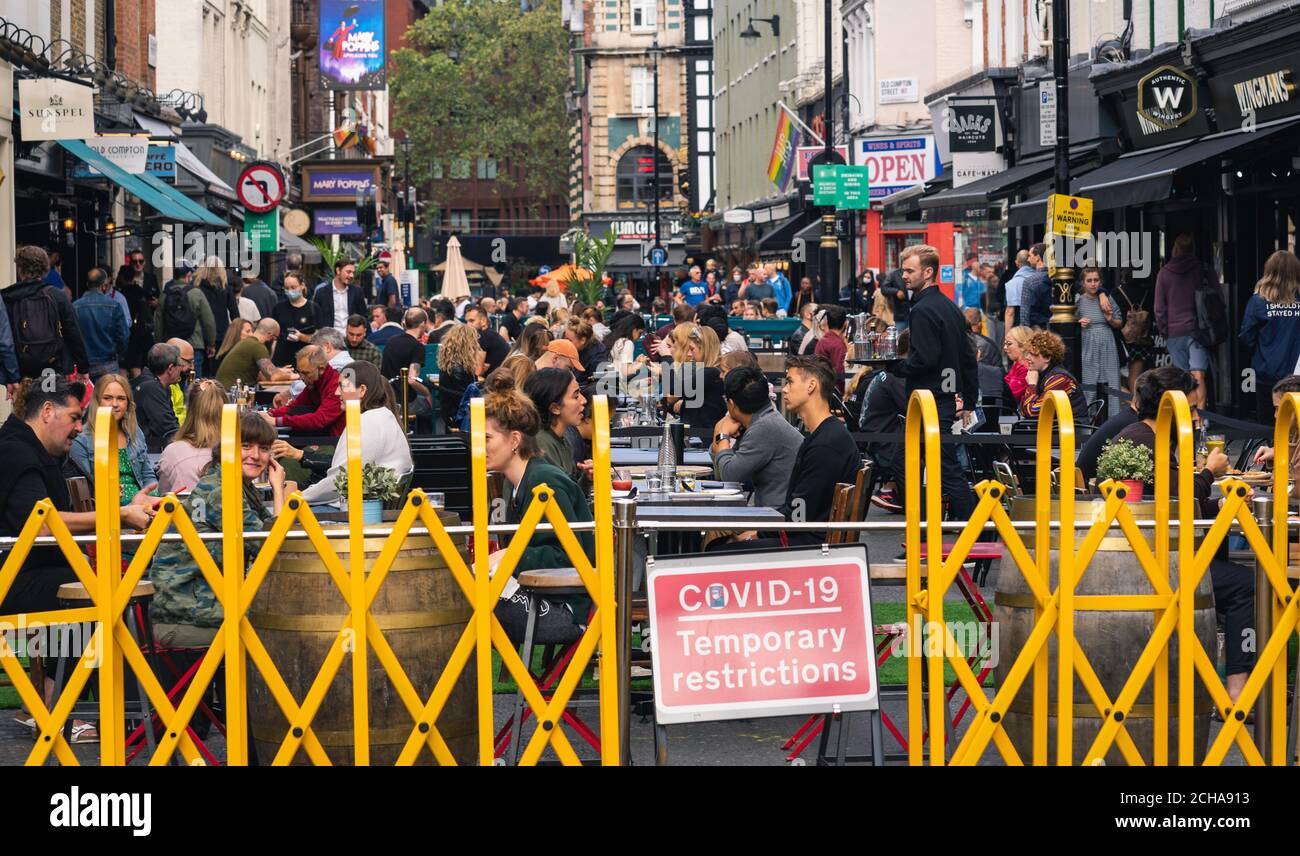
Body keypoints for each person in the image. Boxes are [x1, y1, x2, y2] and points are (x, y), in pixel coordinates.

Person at [1109, 366, 1250, 703]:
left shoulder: (1136, 435)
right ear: (1170, 408)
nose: (1196, 416)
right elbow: (1182, 502)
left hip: (1145, 554)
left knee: (1229, 569)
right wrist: (1209, 473)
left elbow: (1178, 502)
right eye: (1190, 407)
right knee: (1249, 586)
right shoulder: (1145, 440)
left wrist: (1225, 501)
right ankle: (1238, 691)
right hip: (1157, 562)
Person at [0, 377, 152, 616]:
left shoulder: (32, 450)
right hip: (15, 579)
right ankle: (99, 653)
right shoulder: (16, 451)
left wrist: (127, 507)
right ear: (48, 411)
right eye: (74, 418)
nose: (80, 428)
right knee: (99, 592)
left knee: (105, 586)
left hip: (29, 571)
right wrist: (119, 515)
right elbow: (40, 525)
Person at [149, 409, 286, 648]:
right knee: (279, 635)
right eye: (246, 446)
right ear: (227, 450)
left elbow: (272, 537)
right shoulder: (220, 491)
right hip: (187, 620)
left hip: (209, 611)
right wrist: (278, 492)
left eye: (264, 449)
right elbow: (272, 551)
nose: (256, 455)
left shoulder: (236, 486)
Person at [481, 372, 593, 644]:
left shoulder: (543, 480)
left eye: (486, 438)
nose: (478, 446)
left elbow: (566, 555)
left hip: (567, 609)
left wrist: (509, 556)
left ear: (515, 440)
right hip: (550, 598)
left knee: (461, 601)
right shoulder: (529, 479)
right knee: (461, 595)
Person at [719, 356, 860, 549]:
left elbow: (800, 513)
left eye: (791, 382)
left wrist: (756, 533)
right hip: (804, 538)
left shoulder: (825, 445)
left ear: (811, 386)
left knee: (718, 549)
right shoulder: (825, 436)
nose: (784, 389)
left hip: (806, 547)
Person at [893, 244, 979, 524]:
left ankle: (966, 530)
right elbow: (968, 357)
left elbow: (923, 360)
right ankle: (932, 530)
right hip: (941, 398)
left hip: (929, 401)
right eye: (903, 270)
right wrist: (969, 397)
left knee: (941, 467)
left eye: (910, 270)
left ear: (928, 273)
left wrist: (893, 366)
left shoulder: (922, 310)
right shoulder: (950, 307)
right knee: (931, 464)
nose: (904, 276)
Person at [275, 362, 414, 506]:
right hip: (370, 508)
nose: (336, 392)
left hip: (359, 513)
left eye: (342, 386)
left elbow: (340, 481)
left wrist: (297, 498)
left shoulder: (367, 422)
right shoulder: (383, 416)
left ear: (362, 390)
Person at [710, 365, 803, 507]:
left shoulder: (764, 428)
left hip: (778, 519)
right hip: (777, 512)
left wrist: (722, 435)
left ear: (731, 404)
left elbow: (728, 475)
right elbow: (720, 468)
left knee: (715, 526)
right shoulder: (766, 418)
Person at [68, 374, 158, 504]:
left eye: (121, 398)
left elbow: (148, 476)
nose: (114, 404)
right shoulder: (81, 442)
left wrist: (152, 497)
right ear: (97, 401)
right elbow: (93, 490)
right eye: (107, 398)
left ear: (128, 403)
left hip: (144, 501)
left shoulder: (135, 432)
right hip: (110, 509)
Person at [4, 245, 90, 378]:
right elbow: (73, 331)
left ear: (20, 269)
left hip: (23, 373)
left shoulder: (9, 297)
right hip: (54, 370)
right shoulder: (56, 295)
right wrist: (83, 367)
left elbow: (5, 340)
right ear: (45, 269)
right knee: (52, 399)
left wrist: (10, 376)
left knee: (27, 399)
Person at [1238, 250, 1300, 425]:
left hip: (1267, 372)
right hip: (1297, 374)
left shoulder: (1258, 301)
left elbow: (1246, 337)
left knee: (1267, 423)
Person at [1155, 234, 1212, 408]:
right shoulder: (1204, 269)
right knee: (1198, 374)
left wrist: (1165, 332)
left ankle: (1186, 414)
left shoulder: (1164, 273)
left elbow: (1159, 309)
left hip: (1175, 332)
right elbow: (1219, 300)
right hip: (1199, 330)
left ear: (1175, 249)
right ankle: (1201, 418)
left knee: (1182, 376)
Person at [859, 330, 912, 511]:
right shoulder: (898, 375)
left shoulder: (890, 371)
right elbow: (912, 409)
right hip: (884, 442)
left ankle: (895, 492)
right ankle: (916, 506)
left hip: (874, 436)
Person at [157, 379, 226, 495]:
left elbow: (162, 496)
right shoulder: (239, 451)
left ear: (190, 410)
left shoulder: (172, 452)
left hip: (182, 511)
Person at [524, 367, 590, 483]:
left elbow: (566, 493)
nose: (583, 400)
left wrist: (587, 478)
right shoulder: (541, 445)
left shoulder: (562, 440)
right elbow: (562, 497)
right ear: (555, 408)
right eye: (575, 396)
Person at [661, 324, 725, 443]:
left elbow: (672, 389)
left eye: (692, 349)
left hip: (704, 440)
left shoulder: (710, 373)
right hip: (697, 437)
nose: (689, 354)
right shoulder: (707, 372)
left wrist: (666, 358)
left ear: (704, 348)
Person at [1076, 267, 1126, 418]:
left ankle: (1114, 421)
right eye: (1089, 281)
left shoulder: (1107, 299)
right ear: (1083, 283)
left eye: (1096, 280)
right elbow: (1069, 322)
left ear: (1100, 282)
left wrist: (1110, 319)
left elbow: (1120, 323)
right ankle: (1088, 423)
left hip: (1107, 342)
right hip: (1088, 343)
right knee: (1089, 385)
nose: (1093, 284)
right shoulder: (1078, 300)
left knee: (1113, 383)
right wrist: (1078, 322)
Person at [265, 346, 345, 437]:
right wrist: (269, 414)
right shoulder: (315, 382)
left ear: (321, 369)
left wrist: (276, 421)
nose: (301, 377)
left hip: (336, 441)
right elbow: (294, 405)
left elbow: (319, 419)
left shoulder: (335, 387)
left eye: (306, 373)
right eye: (299, 372)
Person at [1017, 330, 1088, 425]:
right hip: (1053, 430)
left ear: (1047, 358)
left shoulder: (1059, 379)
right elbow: (1022, 410)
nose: (1027, 358)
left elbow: (1033, 412)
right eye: (1027, 353)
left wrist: (1031, 385)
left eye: (1033, 354)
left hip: (1071, 434)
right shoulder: (1042, 375)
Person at [72, 267, 130, 380]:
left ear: (87, 284)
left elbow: (70, 337)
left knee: (87, 397)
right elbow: (124, 336)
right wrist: (119, 356)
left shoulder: (75, 306)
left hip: (84, 366)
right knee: (109, 396)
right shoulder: (114, 305)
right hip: (108, 363)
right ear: (104, 285)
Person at [131, 343, 184, 450]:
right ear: (170, 369)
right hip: (139, 453)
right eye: (180, 365)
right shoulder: (152, 388)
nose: (182, 370)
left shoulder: (154, 384)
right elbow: (169, 430)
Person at [216, 318, 294, 390]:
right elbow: (273, 376)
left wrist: (280, 372)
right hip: (232, 393)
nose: (274, 341)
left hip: (225, 390)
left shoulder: (247, 343)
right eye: (275, 337)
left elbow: (262, 375)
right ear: (269, 334)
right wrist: (292, 376)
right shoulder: (257, 346)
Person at [1250, 375, 1300, 480]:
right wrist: (1275, 452)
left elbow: (1294, 485)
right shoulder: (1291, 433)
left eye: (1279, 409)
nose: (1276, 415)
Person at [435, 322, 482, 432]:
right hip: (459, 415)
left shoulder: (450, 365)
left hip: (450, 411)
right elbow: (466, 397)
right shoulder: (460, 369)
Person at [194, 258, 236, 368]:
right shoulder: (225, 288)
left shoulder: (197, 287)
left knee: (203, 369)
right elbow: (234, 313)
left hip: (202, 333)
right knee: (219, 368)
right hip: (222, 334)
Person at [269, 272, 318, 366]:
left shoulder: (313, 308)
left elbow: (319, 338)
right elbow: (274, 338)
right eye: (286, 288)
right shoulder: (278, 308)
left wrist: (301, 337)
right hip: (282, 360)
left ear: (302, 286)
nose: (290, 291)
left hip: (305, 360)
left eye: (293, 287)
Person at [313, 258, 366, 332]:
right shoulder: (321, 293)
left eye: (353, 272)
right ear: (338, 271)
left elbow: (363, 316)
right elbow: (316, 318)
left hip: (351, 338)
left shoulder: (357, 292)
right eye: (348, 272)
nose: (351, 275)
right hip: (329, 338)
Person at [813, 305, 850, 392]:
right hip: (834, 392)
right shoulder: (837, 344)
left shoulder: (822, 340)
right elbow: (841, 373)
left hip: (823, 387)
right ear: (845, 323)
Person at [465, 305, 510, 374]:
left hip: (499, 380)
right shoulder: (490, 334)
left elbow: (477, 372)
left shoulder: (484, 336)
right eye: (467, 321)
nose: (467, 325)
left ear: (483, 321)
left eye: (471, 321)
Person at [564, 319, 607, 385]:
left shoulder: (598, 357)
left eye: (569, 340)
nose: (565, 342)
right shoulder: (575, 349)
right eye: (565, 339)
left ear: (582, 340)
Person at [1002, 325, 1035, 405]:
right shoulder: (1017, 364)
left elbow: (1009, 397)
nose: (1005, 347)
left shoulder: (1026, 368)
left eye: (1009, 344)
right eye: (1005, 343)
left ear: (1023, 346)